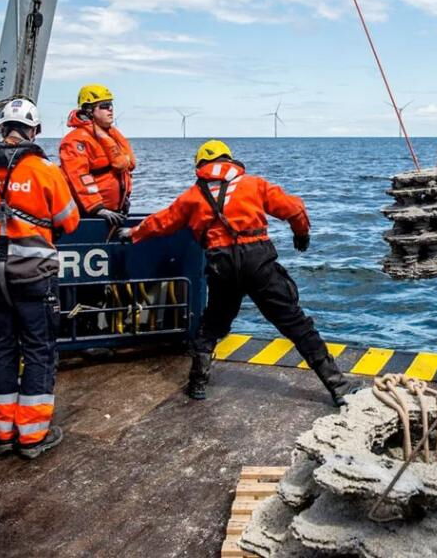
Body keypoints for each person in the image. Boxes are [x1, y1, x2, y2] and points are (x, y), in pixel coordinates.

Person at [117, 140, 358, 406]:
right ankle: (339, 386)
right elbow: (294, 208)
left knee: (212, 326)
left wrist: (132, 233)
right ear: (229, 159)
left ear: (201, 165)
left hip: (221, 265)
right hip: (258, 260)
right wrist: (301, 233)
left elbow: (163, 222)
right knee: (296, 324)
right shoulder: (253, 184)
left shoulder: (192, 196)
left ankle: (198, 382)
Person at [0, 98, 80, 458]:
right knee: (40, 350)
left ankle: (4, 432)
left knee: (3, 349)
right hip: (35, 276)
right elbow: (69, 221)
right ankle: (32, 436)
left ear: (1, 128)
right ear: (35, 131)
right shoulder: (46, 170)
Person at [59, 84, 136, 228]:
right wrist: (97, 208)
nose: (111, 109)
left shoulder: (111, 135)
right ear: (89, 110)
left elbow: (126, 166)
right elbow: (79, 177)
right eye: (105, 106)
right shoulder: (75, 141)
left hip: (115, 212)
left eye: (111, 105)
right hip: (91, 215)